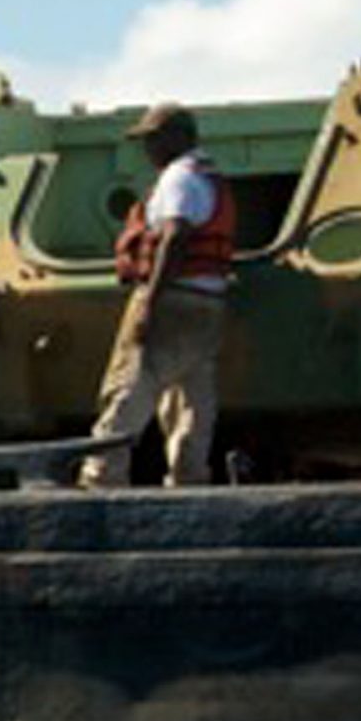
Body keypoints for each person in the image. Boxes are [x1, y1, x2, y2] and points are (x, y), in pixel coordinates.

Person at [79, 101, 236, 487]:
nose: (147, 149)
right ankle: (190, 476)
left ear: (179, 139)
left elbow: (176, 234)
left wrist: (150, 300)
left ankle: (101, 475)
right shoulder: (210, 175)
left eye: (153, 140)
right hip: (208, 302)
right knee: (192, 397)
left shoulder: (179, 178)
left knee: (132, 385)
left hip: (173, 299)